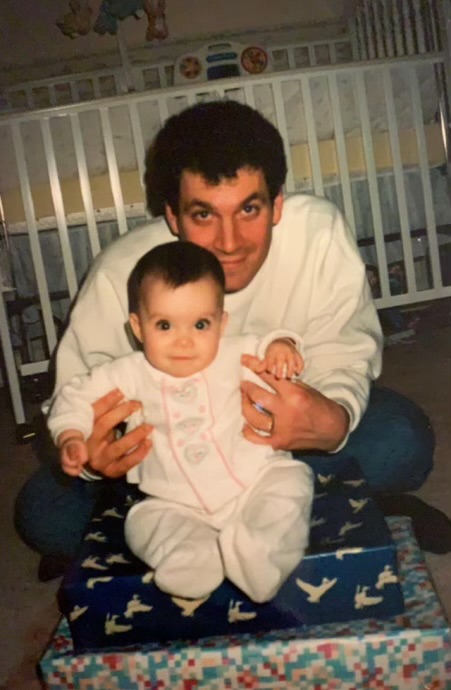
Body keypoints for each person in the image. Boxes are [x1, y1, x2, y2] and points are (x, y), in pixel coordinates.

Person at [14, 100, 449, 581]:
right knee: (45, 515)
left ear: (277, 203)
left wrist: (335, 417)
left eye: (249, 209)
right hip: (172, 463)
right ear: (173, 218)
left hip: (276, 448)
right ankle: (300, 518)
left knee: (402, 442)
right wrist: (98, 455)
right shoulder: (123, 271)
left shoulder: (318, 232)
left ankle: (224, 531)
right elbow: (76, 392)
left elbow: (344, 349)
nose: (229, 242)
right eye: (203, 215)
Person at [47, 242, 313, 602]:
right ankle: (192, 561)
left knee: (292, 481)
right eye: (165, 325)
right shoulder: (128, 372)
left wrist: (283, 346)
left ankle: (261, 553)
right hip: (172, 499)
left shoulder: (233, 353)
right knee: (142, 522)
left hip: (253, 480)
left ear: (222, 323)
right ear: (138, 328)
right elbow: (74, 395)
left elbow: (269, 341)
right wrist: (71, 434)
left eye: (201, 324)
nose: (184, 341)